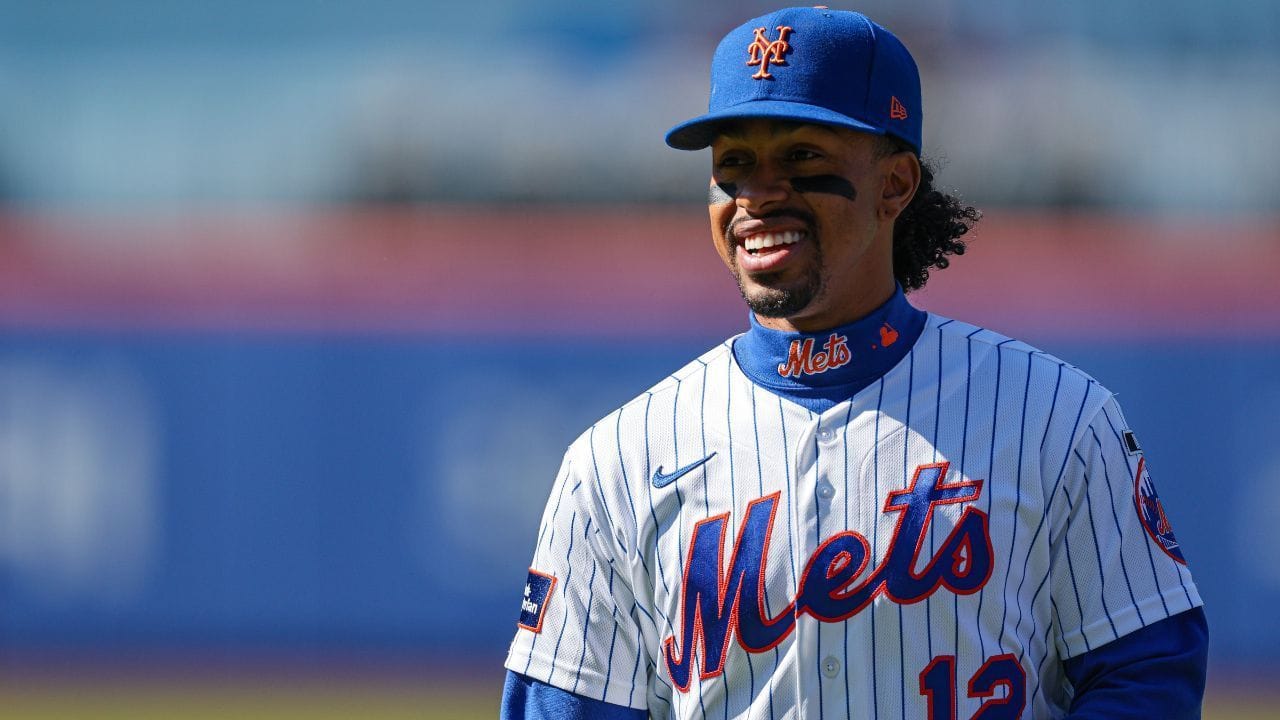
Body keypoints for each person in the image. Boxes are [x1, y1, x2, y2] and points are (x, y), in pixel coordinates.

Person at [501, 6, 1207, 718]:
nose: (757, 196)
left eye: (803, 158)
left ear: (896, 184)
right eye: (733, 166)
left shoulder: (1055, 417)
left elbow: (1147, 674)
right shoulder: (617, 460)